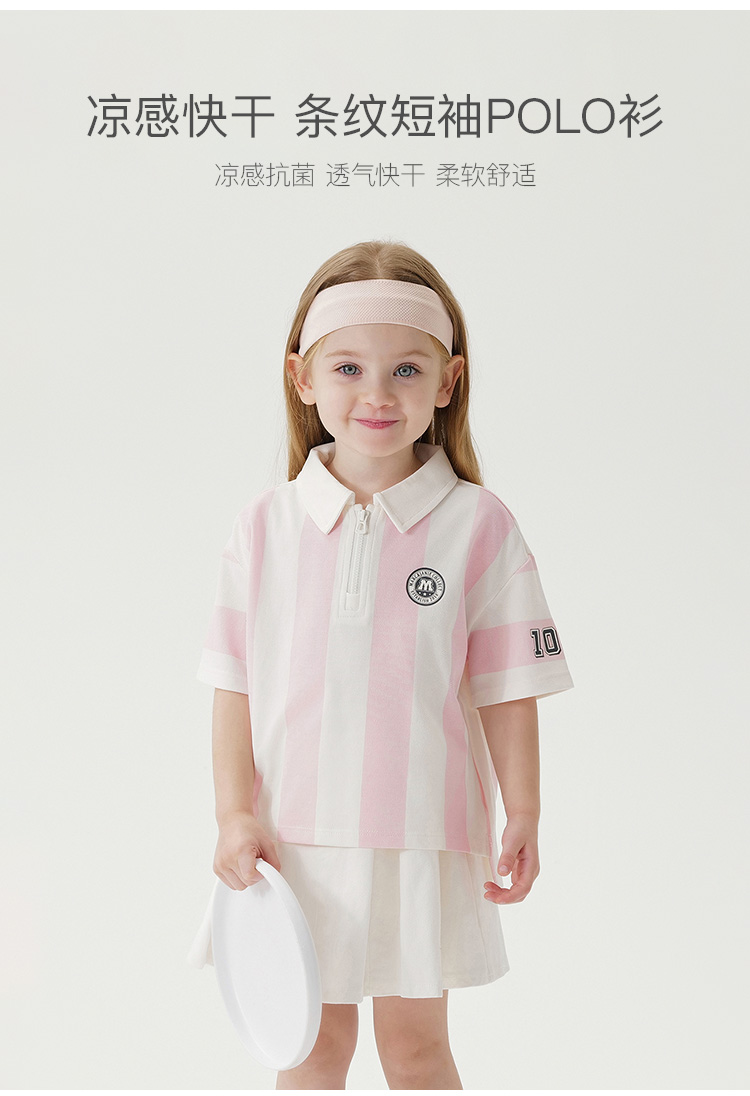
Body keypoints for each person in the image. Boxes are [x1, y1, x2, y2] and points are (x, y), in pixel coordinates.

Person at [189, 240, 574, 1089]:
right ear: (301, 377)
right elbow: (233, 686)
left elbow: (507, 687)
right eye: (348, 368)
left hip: (421, 838)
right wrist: (232, 814)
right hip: (293, 843)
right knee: (311, 1046)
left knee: (417, 1050)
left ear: (448, 382)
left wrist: (524, 809)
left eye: (406, 370)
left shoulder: (479, 525)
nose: (377, 394)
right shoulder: (264, 527)